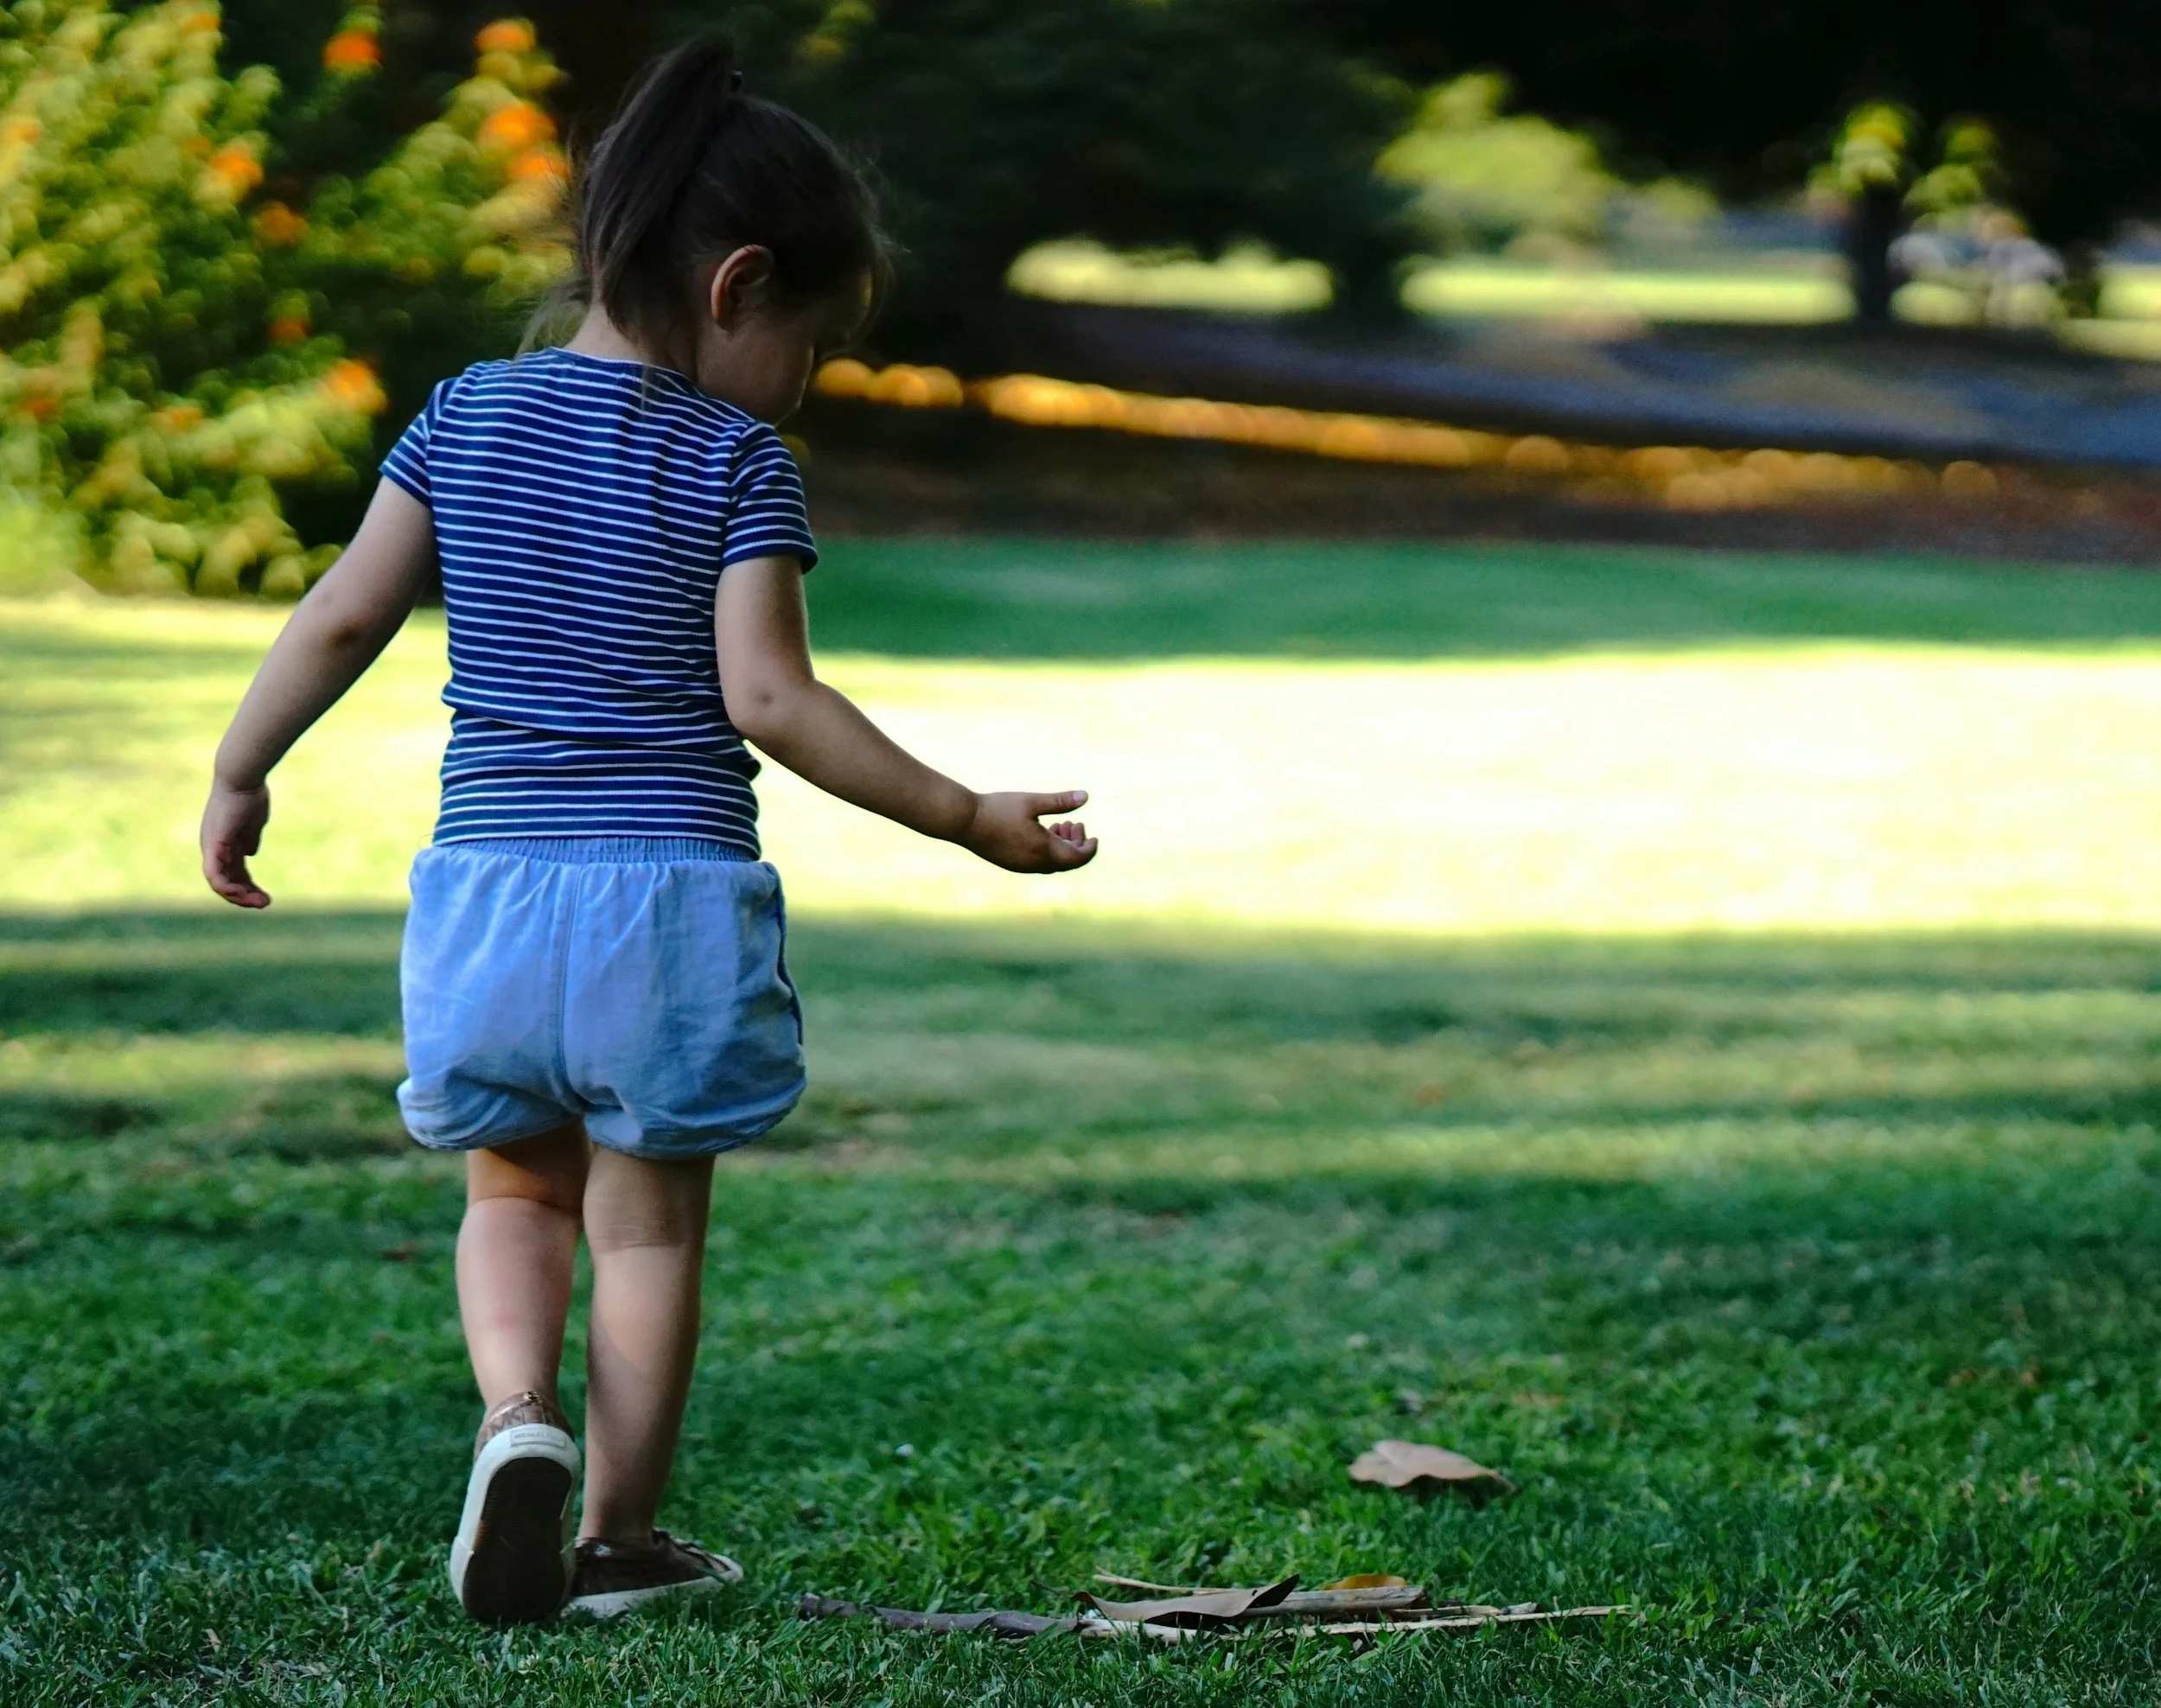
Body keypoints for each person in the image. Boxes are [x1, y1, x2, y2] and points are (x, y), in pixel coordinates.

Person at [198, 36, 1097, 1628]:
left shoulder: (464, 415)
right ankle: (616, 1541)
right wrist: (961, 815)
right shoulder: (738, 459)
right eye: (811, 346)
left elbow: (343, 618)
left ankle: (511, 1421)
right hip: (666, 905)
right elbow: (771, 699)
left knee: (509, 1195)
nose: (803, 386)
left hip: (484, 895)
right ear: (741, 285)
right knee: (648, 1225)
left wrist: (241, 768)